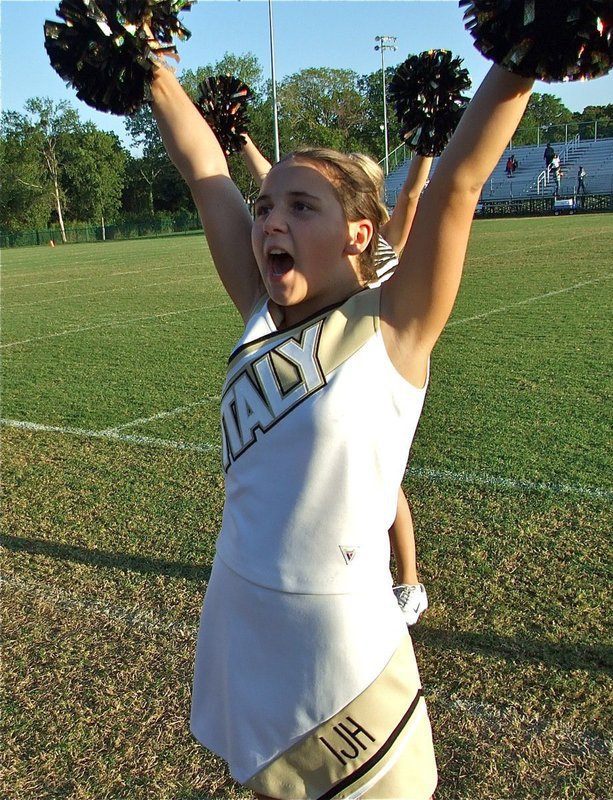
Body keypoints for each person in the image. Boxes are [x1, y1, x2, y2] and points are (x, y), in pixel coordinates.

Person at [150, 49, 533, 798]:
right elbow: (203, 170)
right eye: (264, 207)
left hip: (341, 649)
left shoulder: (393, 327)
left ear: (359, 234)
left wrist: (527, 51)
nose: (269, 221)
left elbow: (457, 182)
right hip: (240, 608)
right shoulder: (259, 313)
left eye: (300, 206)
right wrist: (148, 65)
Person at [238, 132, 433, 625]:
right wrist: (242, 142)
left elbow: (414, 195)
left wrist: (427, 142)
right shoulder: (313, 238)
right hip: (322, 362)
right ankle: (400, 579)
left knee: (389, 488)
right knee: (374, 486)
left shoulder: (386, 242)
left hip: (375, 367)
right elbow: (272, 182)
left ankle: (408, 581)